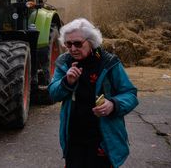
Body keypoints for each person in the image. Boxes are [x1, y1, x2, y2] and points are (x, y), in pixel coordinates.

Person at [48, 18, 138, 168]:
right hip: (74, 137)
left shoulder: (108, 63)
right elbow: (52, 93)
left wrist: (113, 104)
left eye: (77, 43)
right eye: (68, 44)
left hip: (103, 138)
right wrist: (66, 82)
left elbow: (130, 93)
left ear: (91, 41)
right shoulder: (64, 62)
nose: (72, 48)